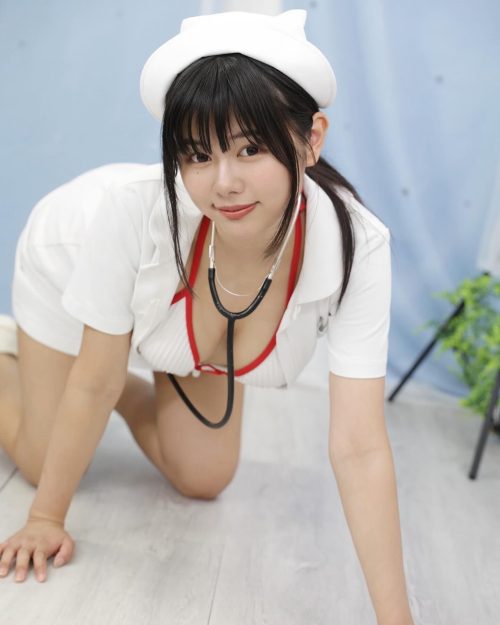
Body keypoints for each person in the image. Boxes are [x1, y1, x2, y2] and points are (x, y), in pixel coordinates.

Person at [0, 9, 414, 624]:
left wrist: (396, 619)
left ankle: (131, 382)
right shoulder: (127, 212)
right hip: (70, 261)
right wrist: (45, 517)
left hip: (169, 327)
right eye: (198, 154)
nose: (225, 183)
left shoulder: (358, 245)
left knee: (203, 475)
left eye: (251, 148)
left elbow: (358, 445)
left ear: (312, 138)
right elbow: (94, 379)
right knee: (42, 460)